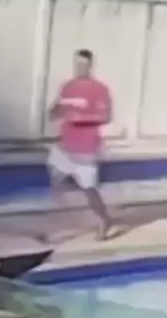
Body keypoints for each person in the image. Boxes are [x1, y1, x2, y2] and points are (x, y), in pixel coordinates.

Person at [47, 49, 117, 240]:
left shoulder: (99, 89)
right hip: (65, 144)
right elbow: (58, 107)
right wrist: (54, 112)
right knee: (55, 177)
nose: (80, 67)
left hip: (87, 148)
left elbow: (106, 116)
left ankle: (104, 219)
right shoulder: (68, 86)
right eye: (77, 64)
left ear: (90, 66)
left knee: (89, 188)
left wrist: (79, 118)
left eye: (83, 64)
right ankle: (64, 220)